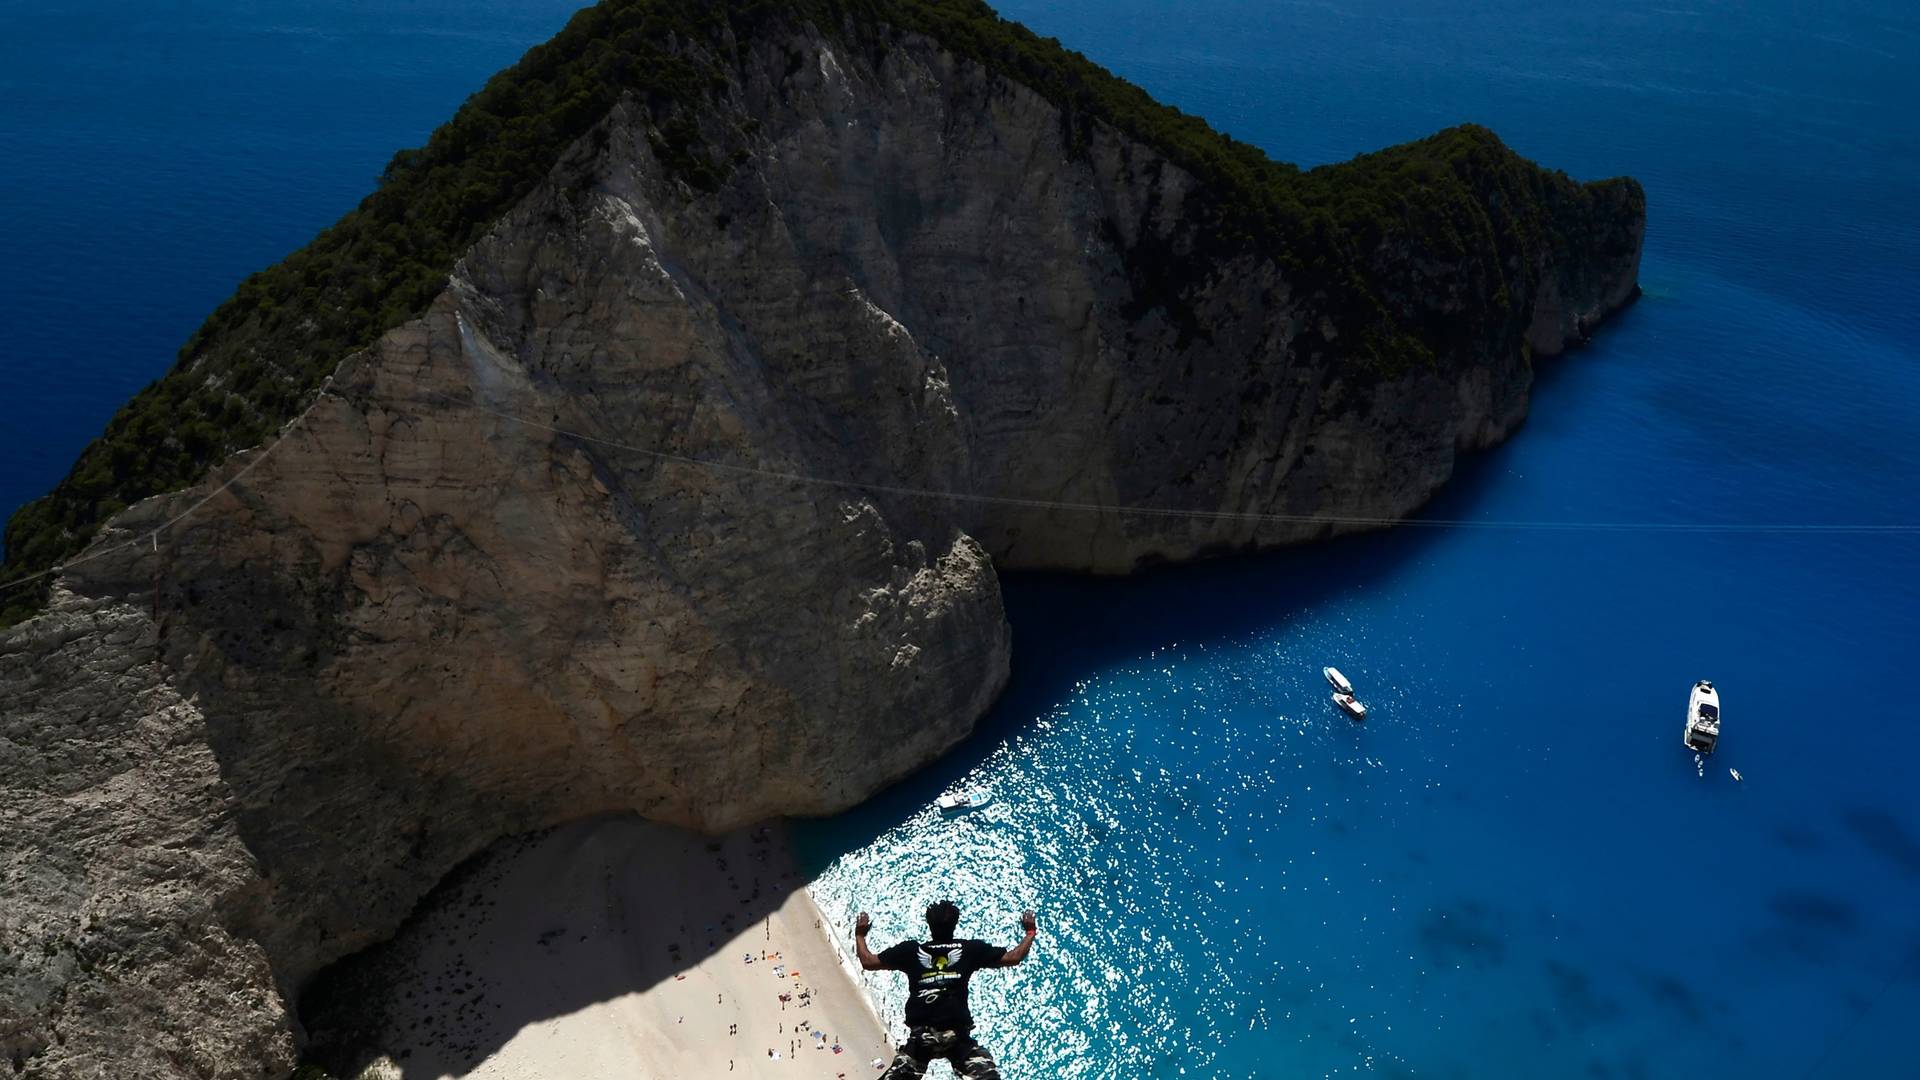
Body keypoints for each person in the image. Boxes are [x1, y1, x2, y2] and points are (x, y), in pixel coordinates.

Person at [854, 901, 1037, 1079]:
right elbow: (1014, 957)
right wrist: (1029, 932)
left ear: (929, 924)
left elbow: (868, 961)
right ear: (955, 924)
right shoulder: (968, 949)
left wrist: (860, 935)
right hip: (956, 1036)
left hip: (922, 1038)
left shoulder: (910, 951)